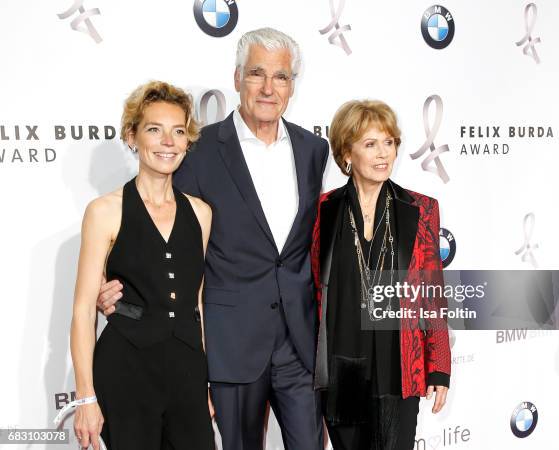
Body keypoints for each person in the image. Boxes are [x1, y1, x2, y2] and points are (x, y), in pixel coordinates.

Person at [96, 28, 329, 450]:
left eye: (281, 77)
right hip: (231, 342)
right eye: (257, 73)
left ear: (292, 85)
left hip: (299, 342)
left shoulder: (314, 149)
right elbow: (162, 228)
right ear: (237, 77)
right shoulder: (199, 151)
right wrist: (113, 285)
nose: (268, 87)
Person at [70, 81, 214, 450]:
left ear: (187, 141)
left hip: (186, 373)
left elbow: (195, 305)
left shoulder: (200, 213)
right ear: (132, 136)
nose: (168, 141)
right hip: (126, 370)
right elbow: (85, 309)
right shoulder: (104, 211)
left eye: (178, 131)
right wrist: (86, 397)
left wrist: (204, 385)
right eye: (155, 129)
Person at [311, 100, 451, 450]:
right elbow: (312, 288)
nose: (383, 153)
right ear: (346, 153)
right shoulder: (322, 212)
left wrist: (439, 366)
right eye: (370, 144)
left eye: (389, 142)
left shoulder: (421, 209)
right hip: (342, 365)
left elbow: (432, 293)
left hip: (399, 362)